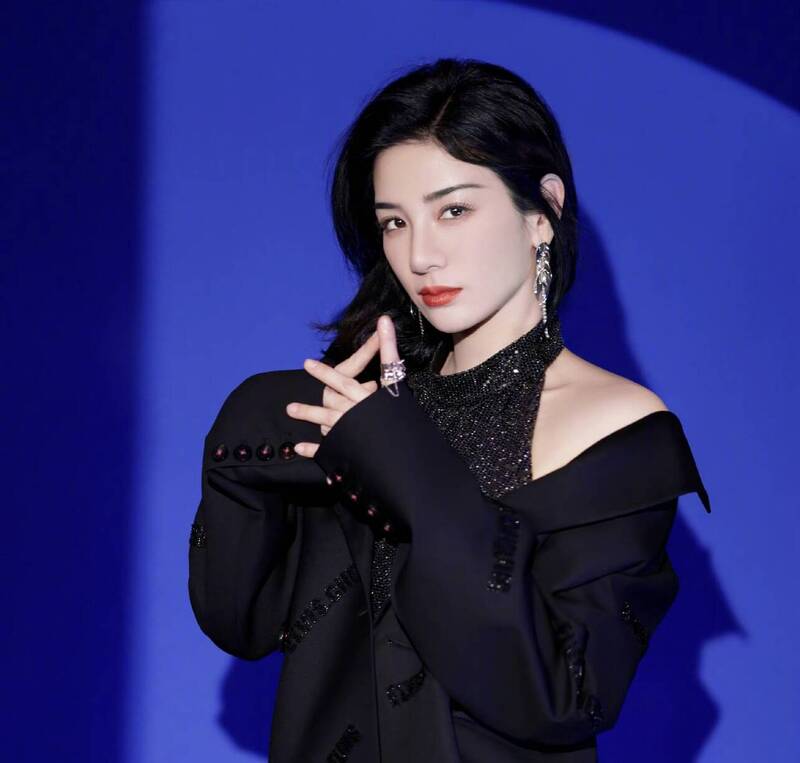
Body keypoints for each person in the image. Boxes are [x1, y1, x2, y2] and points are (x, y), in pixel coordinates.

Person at [188, 57, 711, 762]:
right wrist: (245, 446)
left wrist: (409, 465)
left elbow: (563, 694)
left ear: (543, 211)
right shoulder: (356, 411)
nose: (420, 255)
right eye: (394, 222)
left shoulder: (617, 428)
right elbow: (242, 622)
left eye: (453, 210)